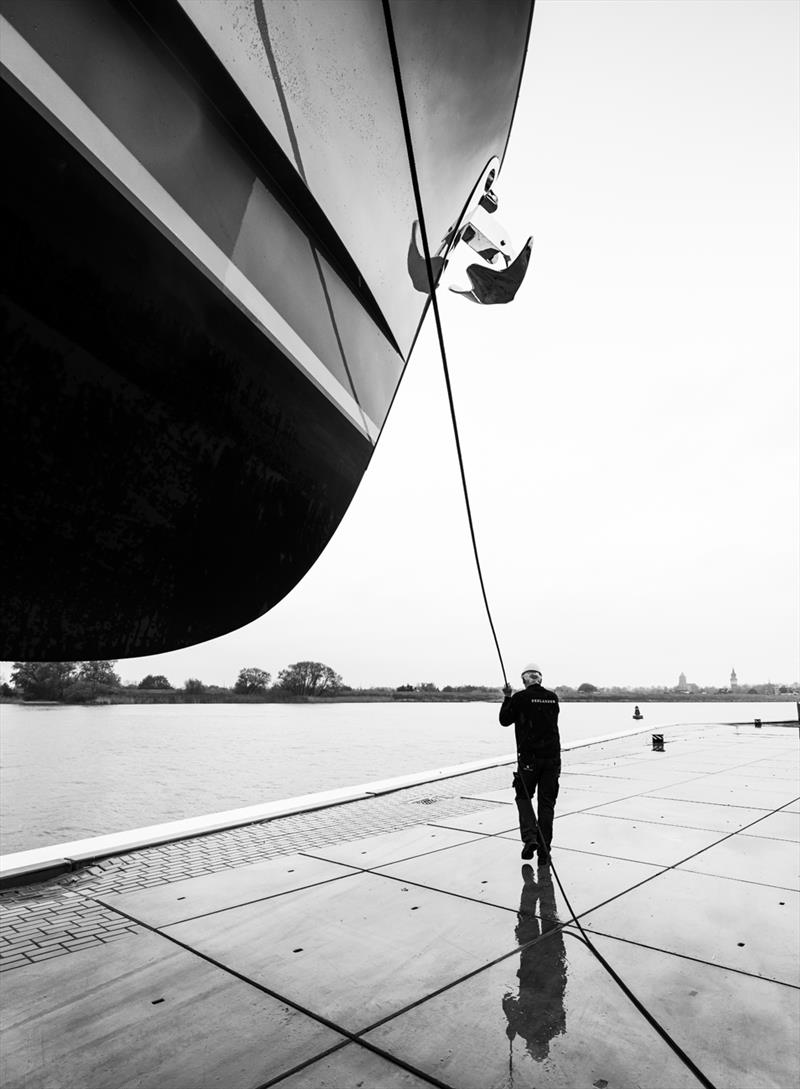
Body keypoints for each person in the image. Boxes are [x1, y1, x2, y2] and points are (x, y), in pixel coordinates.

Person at [500, 663, 561, 862]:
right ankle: (545, 851)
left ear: (524, 680)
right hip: (552, 759)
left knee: (523, 796)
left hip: (529, 760)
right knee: (546, 804)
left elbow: (504, 720)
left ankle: (530, 838)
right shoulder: (553, 698)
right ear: (540, 679)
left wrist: (508, 697)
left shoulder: (519, 698)